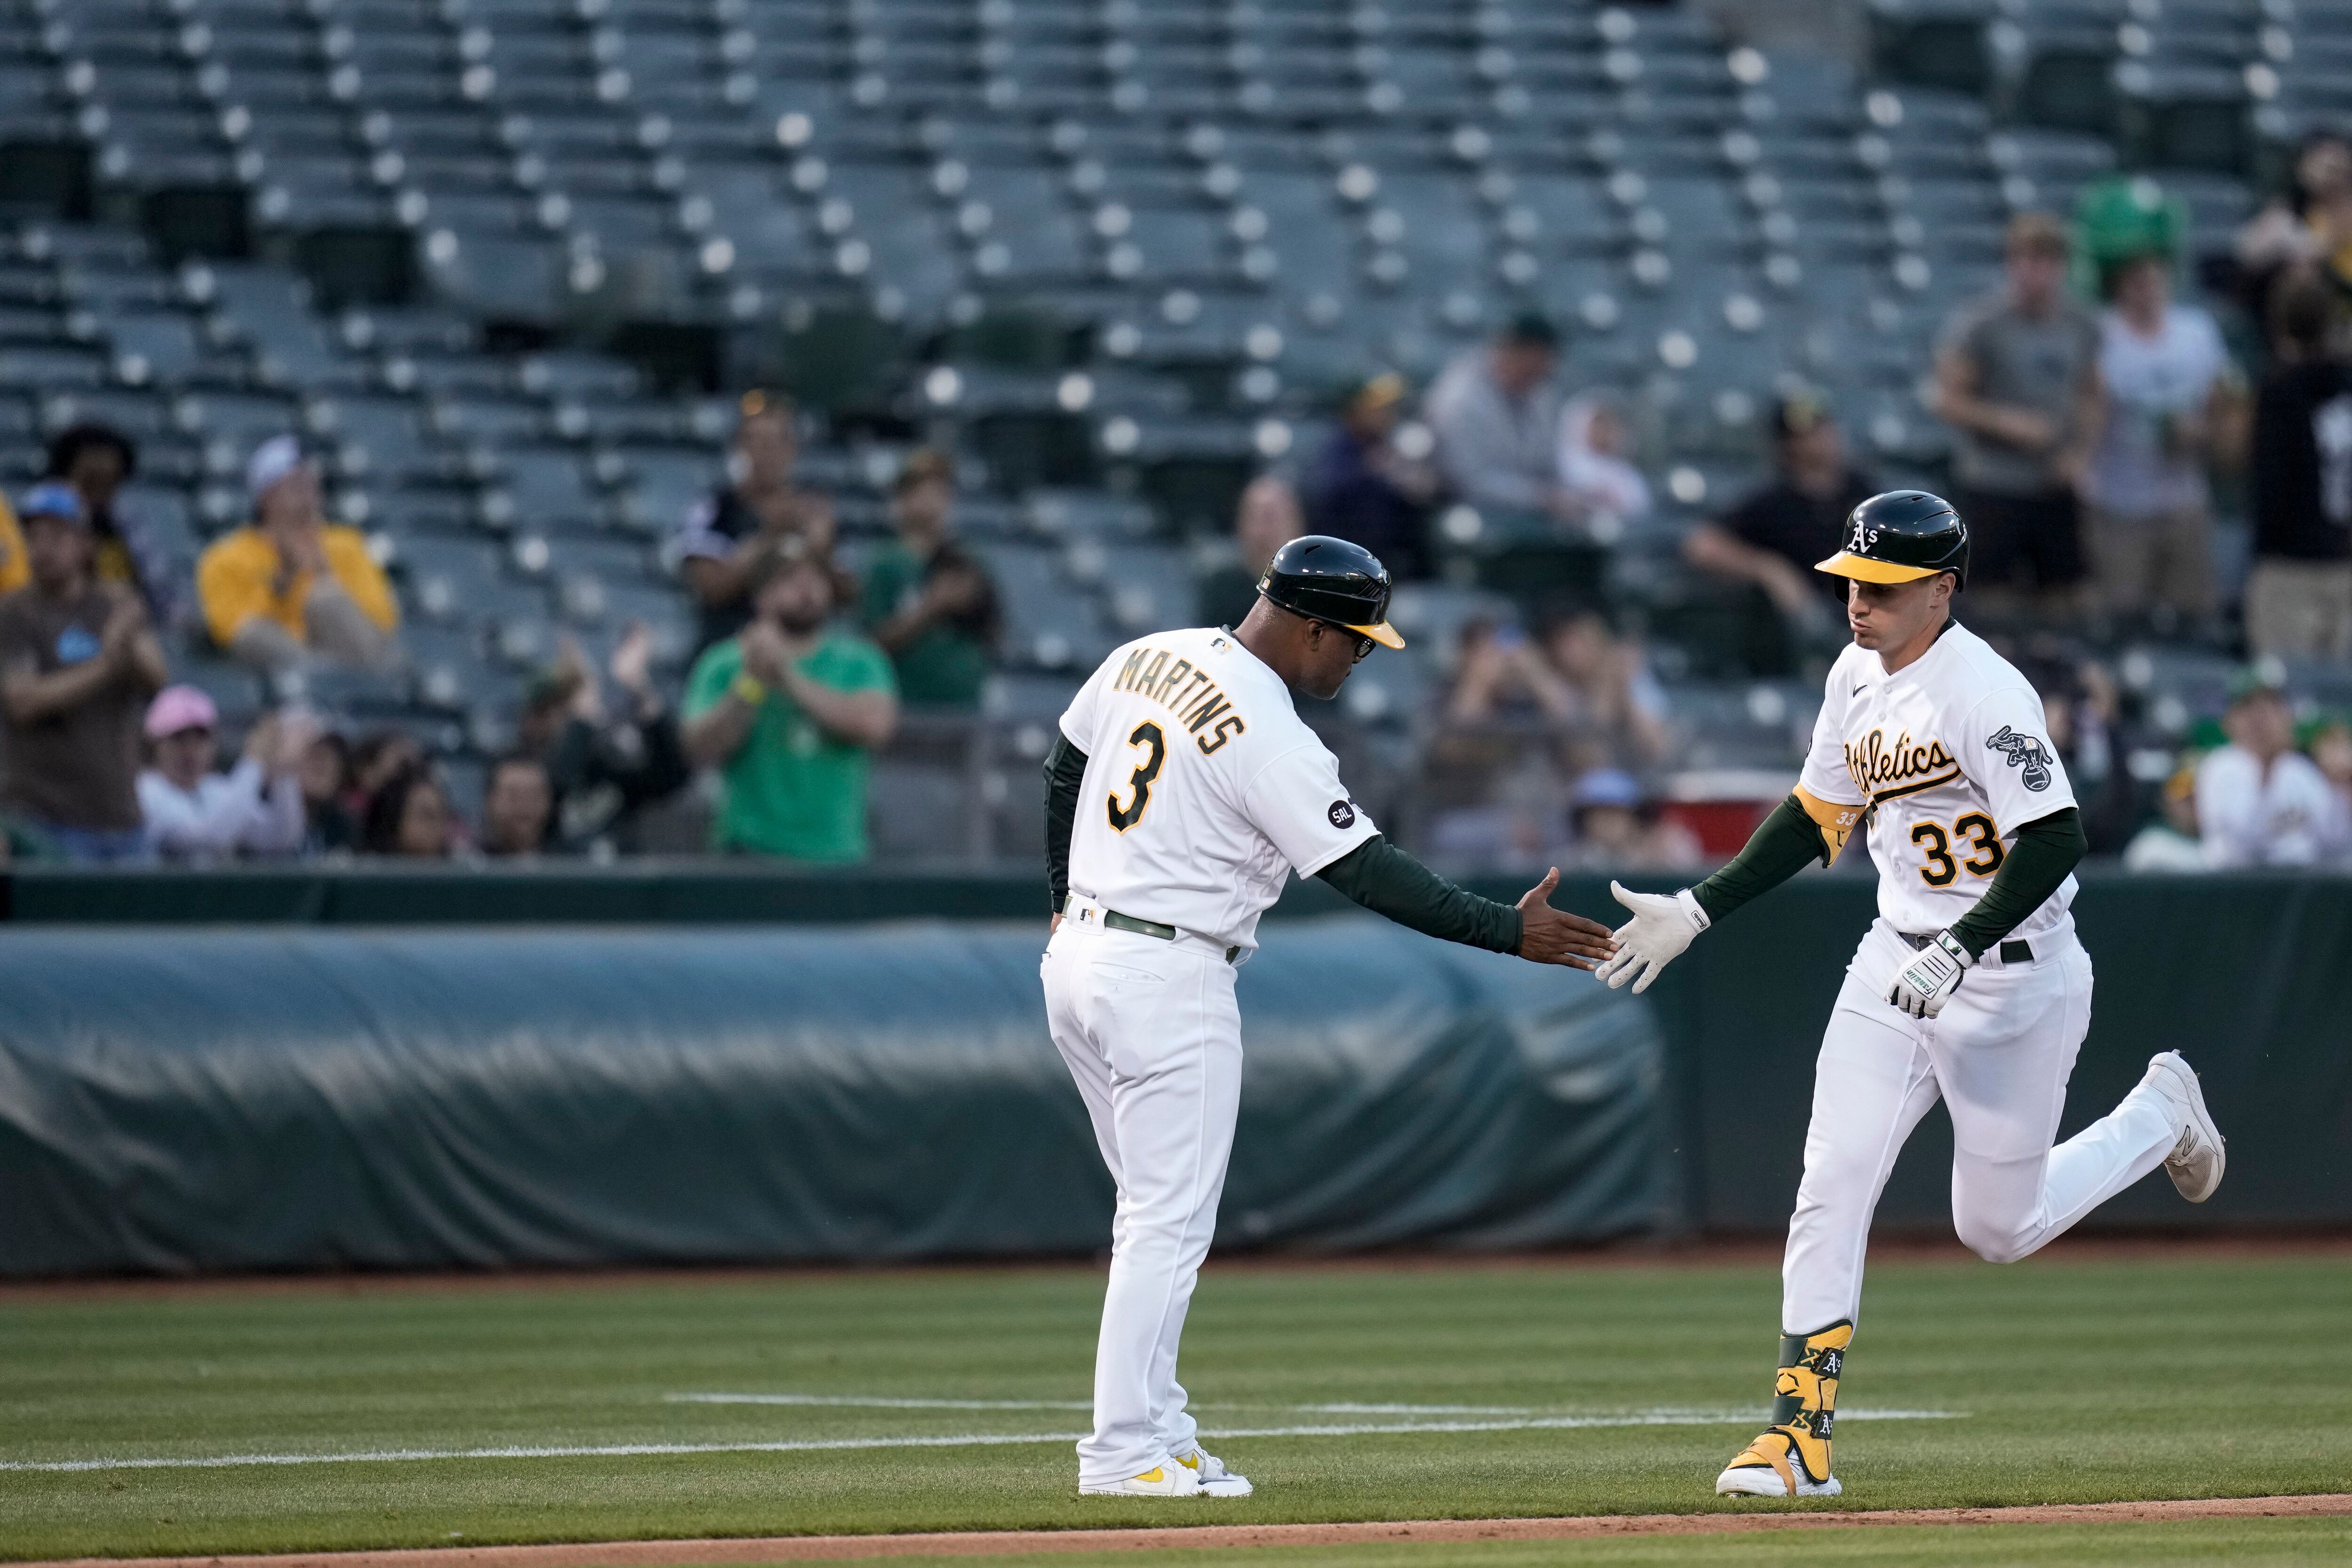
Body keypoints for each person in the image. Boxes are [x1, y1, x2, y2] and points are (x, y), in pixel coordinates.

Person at [1594, 490, 2225, 1500]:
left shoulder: (1985, 689)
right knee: (1831, 1172)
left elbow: (2055, 835)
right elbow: (1814, 814)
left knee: (1998, 1228)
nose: (1859, 602)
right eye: (1852, 582)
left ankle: (2157, 1112)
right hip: (1893, 954)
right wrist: (1701, 908)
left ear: (1941, 588)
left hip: (2015, 971)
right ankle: (1797, 1435)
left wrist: (1968, 942)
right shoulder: (1853, 676)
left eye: (1883, 588)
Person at [1040, 534, 1616, 1498]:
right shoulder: (1269, 730)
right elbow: (1367, 870)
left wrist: (1061, 890)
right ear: (1308, 627)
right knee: (1164, 1223)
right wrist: (1505, 931)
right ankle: (1122, 1449)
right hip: (1168, 974)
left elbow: (1066, 764)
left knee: (1152, 1213)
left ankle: (1160, 1423)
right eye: (1353, 640)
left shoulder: (1146, 653)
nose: (1360, 657)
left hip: (1081, 959)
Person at [1931, 213, 2103, 615]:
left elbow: (2094, 396)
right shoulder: (1982, 324)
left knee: (2067, 598)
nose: (2035, 273)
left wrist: (2080, 454)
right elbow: (1947, 399)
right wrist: (2007, 423)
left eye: (2046, 261)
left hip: (2054, 484)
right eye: (2026, 260)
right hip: (1995, 483)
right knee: (1992, 601)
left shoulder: (2080, 325)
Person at [682, 552, 898, 861]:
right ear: (762, 595)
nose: (806, 592)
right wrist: (752, 683)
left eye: (816, 581)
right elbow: (700, 747)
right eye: (790, 581)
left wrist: (788, 678)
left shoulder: (860, 661)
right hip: (748, 846)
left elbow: (874, 726)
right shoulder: (724, 663)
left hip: (835, 852)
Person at [0, 482, 168, 863]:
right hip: (45, 820)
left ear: (85, 543)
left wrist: (127, 635)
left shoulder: (109, 603)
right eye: (34, 536)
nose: (44, 547)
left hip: (122, 820)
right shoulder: (15, 613)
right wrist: (108, 661)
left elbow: (156, 677)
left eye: (58, 534)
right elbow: (22, 701)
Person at [2082, 252, 2237, 633]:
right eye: (2137, 282)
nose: (2147, 291)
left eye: (2154, 280)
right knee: (2122, 615)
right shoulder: (2101, 336)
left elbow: (2227, 406)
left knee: (2194, 617)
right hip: (2120, 505)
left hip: (2184, 502)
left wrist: (2201, 432)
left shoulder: (2196, 333)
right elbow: (2083, 409)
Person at [198, 437, 400, 672]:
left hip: (358, 659)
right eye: (296, 486)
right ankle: (320, 681)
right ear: (267, 498)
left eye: (313, 485)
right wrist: (284, 579)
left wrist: (324, 573)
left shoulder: (346, 544)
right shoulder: (225, 558)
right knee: (255, 633)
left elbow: (382, 619)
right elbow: (231, 631)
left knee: (326, 601)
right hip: (281, 664)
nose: (308, 497)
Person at [676, 389, 839, 659]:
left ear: (792, 449)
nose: (767, 454)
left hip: (801, 656)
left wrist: (820, 548)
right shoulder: (714, 510)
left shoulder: (812, 511)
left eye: (776, 443)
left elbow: (843, 592)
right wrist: (770, 534)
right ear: (741, 447)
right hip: (727, 649)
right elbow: (711, 587)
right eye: (758, 442)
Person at [2246, 274, 2352, 659]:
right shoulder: (2346, 384)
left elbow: (2270, 482)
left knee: (2290, 690)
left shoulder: (2279, 391)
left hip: (2288, 566)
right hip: (2343, 559)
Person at [517, 627, 693, 853]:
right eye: (557, 708)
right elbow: (559, 783)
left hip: (619, 880)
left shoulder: (604, 764)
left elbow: (672, 777)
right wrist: (582, 719)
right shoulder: (523, 767)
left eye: (572, 706)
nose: (571, 716)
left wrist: (640, 691)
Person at [859, 449, 1001, 708]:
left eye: (941, 492)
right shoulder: (885, 563)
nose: (934, 501)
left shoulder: (967, 560)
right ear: (902, 499)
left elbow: (994, 631)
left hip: (965, 704)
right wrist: (931, 606)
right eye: (923, 491)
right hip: (904, 704)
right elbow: (871, 644)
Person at [1424, 313, 1574, 522]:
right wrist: (1542, 497)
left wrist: (1572, 493)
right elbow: (1469, 482)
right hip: (1467, 518)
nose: (1537, 376)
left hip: (1528, 519)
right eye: (1530, 366)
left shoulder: (1539, 395)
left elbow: (1550, 466)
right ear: (1508, 352)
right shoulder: (1461, 398)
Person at [137, 689, 310, 863]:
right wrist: (254, 762)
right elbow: (207, 838)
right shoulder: (145, 791)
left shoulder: (214, 789)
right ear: (154, 745)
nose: (191, 750)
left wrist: (284, 772)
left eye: (201, 737)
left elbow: (278, 838)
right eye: (179, 738)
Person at [46, 422, 185, 634]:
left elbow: (166, 602)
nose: (98, 496)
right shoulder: (41, 527)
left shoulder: (130, 528)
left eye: (110, 484)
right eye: (90, 482)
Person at [2194, 683, 2348, 869]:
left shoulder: (2299, 769)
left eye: (2270, 709)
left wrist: (2343, 784)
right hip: (2235, 884)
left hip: (2300, 885)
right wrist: (2267, 768)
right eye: (2250, 711)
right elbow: (2246, 844)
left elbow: (2335, 841)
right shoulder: (2222, 766)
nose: (2261, 719)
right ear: (2230, 721)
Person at [1303, 372, 1438, 578]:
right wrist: (1378, 475)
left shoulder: (1384, 445)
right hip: (1344, 568)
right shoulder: (1336, 451)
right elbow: (1331, 494)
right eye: (1377, 409)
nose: (1387, 415)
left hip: (1393, 565)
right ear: (1353, 411)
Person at [2234, 128, 2352, 311]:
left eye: (2340, 169)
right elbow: (2248, 253)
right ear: (2302, 169)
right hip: (2312, 314)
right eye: (2327, 168)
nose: (2334, 178)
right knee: (2301, 277)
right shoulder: (2288, 213)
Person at [1194, 475, 1299, 630]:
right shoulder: (1221, 589)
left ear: (1296, 521)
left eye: (1271, 517)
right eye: (1254, 517)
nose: (1262, 531)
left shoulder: (1314, 589)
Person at [1562, 768, 1703, 872]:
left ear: (1634, 817)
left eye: (1616, 814)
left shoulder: (1660, 853)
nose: (1608, 823)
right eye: (1599, 815)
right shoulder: (1573, 863)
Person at [1555, 394, 1651, 531]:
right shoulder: (1564, 463)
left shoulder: (1625, 471)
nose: (1605, 433)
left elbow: (1640, 509)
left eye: (1609, 427)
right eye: (1599, 426)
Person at [2122, 763, 2209, 873]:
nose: (2195, 805)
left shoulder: (2221, 839)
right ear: (2166, 802)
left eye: (2199, 798)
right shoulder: (2151, 844)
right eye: (2187, 800)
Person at [360, 763, 457, 857]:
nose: (438, 827)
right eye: (427, 816)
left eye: (442, 817)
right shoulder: (364, 869)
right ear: (394, 818)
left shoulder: (459, 870)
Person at [480, 752, 556, 858]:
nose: (523, 808)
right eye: (513, 797)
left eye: (532, 797)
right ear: (490, 800)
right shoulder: (467, 863)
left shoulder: (573, 863)